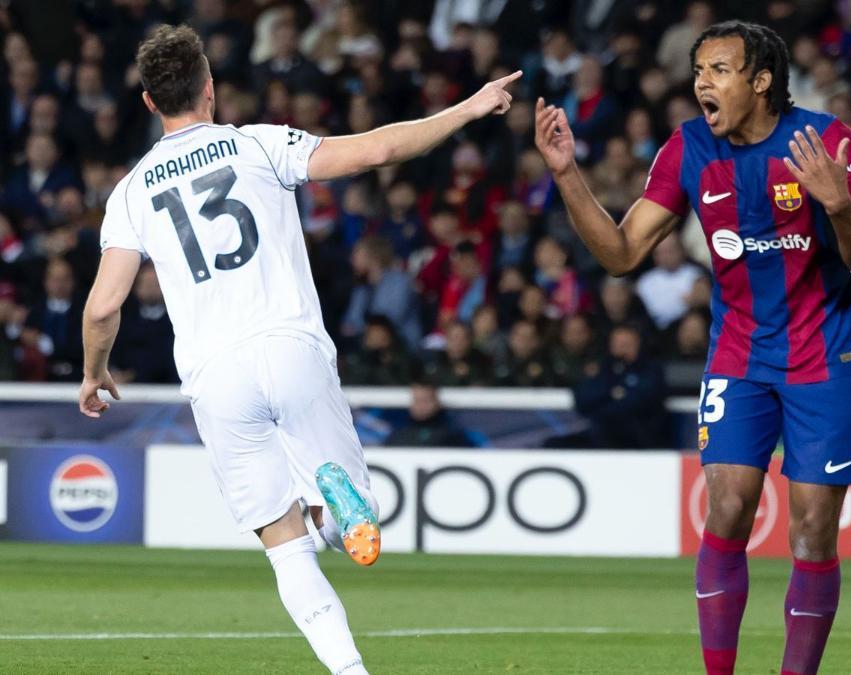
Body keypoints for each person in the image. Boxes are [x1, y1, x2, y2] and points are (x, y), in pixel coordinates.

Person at [77, 25, 520, 675]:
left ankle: (349, 669)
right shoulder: (258, 144)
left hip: (214, 373)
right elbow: (380, 149)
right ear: (210, 88)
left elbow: (102, 305)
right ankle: (337, 508)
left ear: (148, 103)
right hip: (291, 345)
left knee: (284, 548)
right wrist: (469, 107)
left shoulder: (130, 194)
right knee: (351, 525)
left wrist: (93, 372)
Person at [535, 20, 851, 675]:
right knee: (725, 509)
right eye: (699, 71)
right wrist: (567, 174)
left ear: (761, 80)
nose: (701, 82)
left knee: (811, 525)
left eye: (719, 70)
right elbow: (619, 252)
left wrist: (838, 207)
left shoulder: (827, 141)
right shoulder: (688, 147)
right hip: (740, 356)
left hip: (823, 355)